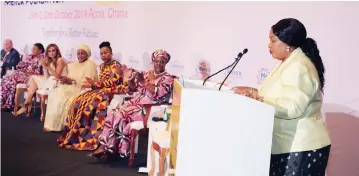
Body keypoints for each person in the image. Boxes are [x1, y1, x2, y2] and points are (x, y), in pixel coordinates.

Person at [231, 18, 331, 175]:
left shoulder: (298, 66)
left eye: (273, 40)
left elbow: (292, 107)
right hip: (288, 146)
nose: (269, 46)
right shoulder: (288, 63)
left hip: (301, 147)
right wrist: (254, 93)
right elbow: (280, 98)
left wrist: (257, 97)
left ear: (288, 43)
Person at [88, 49, 174, 160]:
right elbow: (133, 88)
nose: (159, 64)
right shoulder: (147, 73)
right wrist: (130, 78)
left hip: (150, 108)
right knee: (113, 113)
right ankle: (107, 147)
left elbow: (157, 92)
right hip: (136, 102)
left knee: (120, 115)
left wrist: (143, 82)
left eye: (162, 61)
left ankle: (109, 149)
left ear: (166, 63)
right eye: (156, 61)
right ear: (153, 61)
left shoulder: (168, 78)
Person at [57, 41, 127, 151]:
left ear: (111, 53)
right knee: (78, 101)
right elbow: (100, 82)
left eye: (106, 53)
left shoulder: (116, 65)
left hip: (112, 91)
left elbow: (114, 82)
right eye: (101, 53)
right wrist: (93, 84)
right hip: (101, 89)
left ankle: (90, 137)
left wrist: (95, 83)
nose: (103, 55)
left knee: (91, 104)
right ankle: (75, 134)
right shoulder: (102, 66)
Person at [43, 44, 98, 132]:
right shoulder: (73, 65)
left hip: (80, 89)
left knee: (63, 97)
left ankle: (60, 126)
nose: (80, 55)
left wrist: (72, 81)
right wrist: (65, 79)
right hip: (70, 86)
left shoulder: (90, 64)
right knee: (54, 93)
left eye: (82, 53)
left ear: (87, 54)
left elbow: (88, 82)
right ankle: (52, 125)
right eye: (78, 53)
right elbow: (69, 77)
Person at [14, 44, 68, 121]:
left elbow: (57, 76)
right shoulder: (50, 61)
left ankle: (26, 104)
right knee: (34, 78)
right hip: (51, 80)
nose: (51, 53)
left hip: (58, 82)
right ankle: (27, 103)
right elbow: (46, 76)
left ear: (57, 51)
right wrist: (44, 67)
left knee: (34, 78)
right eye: (49, 51)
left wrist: (48, 67)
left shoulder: (60, 60)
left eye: (53, 50)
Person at [0, 43, 44, 111]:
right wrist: (22, 64)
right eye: (32, 48)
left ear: (40, 50)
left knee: (11, 80)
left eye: (35, 49)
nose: (32, 50)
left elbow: (39, 72)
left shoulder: (42, 59)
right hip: (22, 74)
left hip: (31, 77)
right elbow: (19, 65)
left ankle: (7, 104)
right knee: (7, 83)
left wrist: (27, 71)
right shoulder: (30, 56)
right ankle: (6, 104)